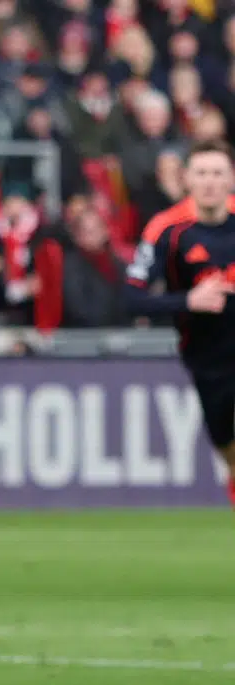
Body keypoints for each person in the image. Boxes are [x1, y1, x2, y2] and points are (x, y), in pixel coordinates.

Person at [125, 141, 235, 507]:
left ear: (231, 179)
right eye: (201, 173)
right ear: (186, 178)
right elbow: (132, 297)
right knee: (224, 440)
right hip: (207, 358)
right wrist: (188, 301)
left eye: (218, 173)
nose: (210, 182)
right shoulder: (166, 229)